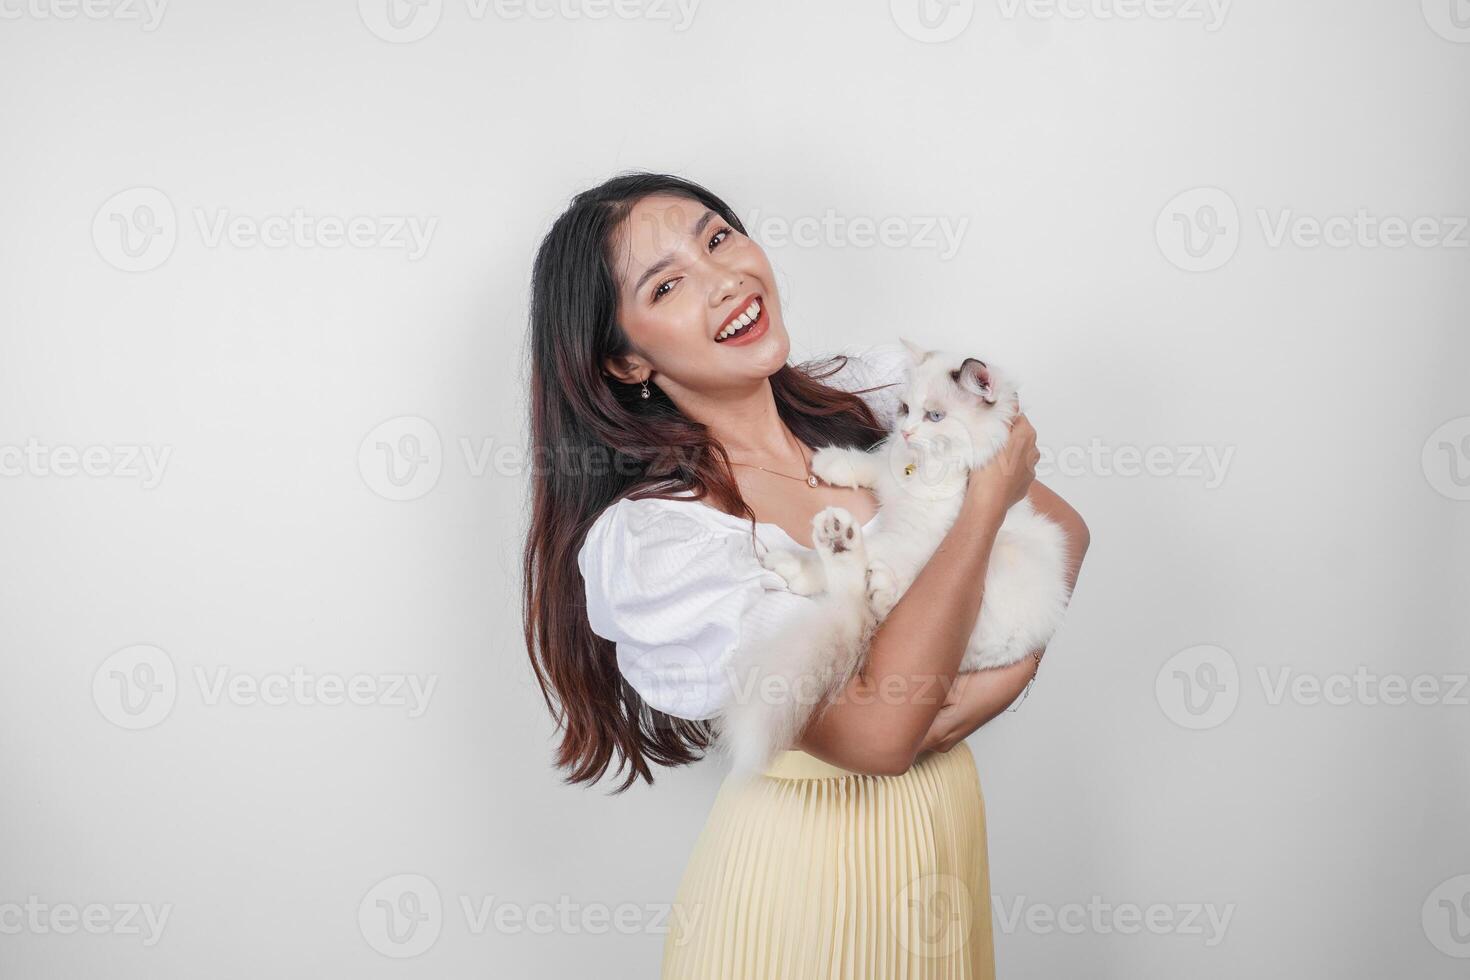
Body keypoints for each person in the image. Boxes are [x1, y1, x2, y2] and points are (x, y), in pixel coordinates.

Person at [523, 171, 1090, 978]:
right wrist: (986, 507)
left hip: (940, 849)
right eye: (670, 283)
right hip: (796, 887)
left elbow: (1062, 535)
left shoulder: (867, 401)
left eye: (717, 236)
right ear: (623, 361)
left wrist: (937, 711)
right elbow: (880, 734)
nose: (725, 280)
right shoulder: (663, 539)